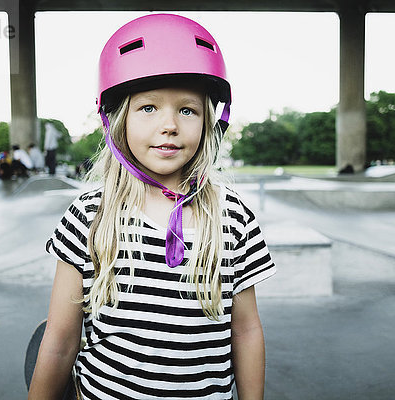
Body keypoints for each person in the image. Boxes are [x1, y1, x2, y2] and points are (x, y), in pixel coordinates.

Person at [28, 14, 276, 400]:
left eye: (188, 110)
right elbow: (61, 339)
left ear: (212, 121)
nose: (169, 125)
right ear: (117, 120)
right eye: (148, 108)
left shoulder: (233, 217)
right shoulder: (90, 216)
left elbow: (245, 330)